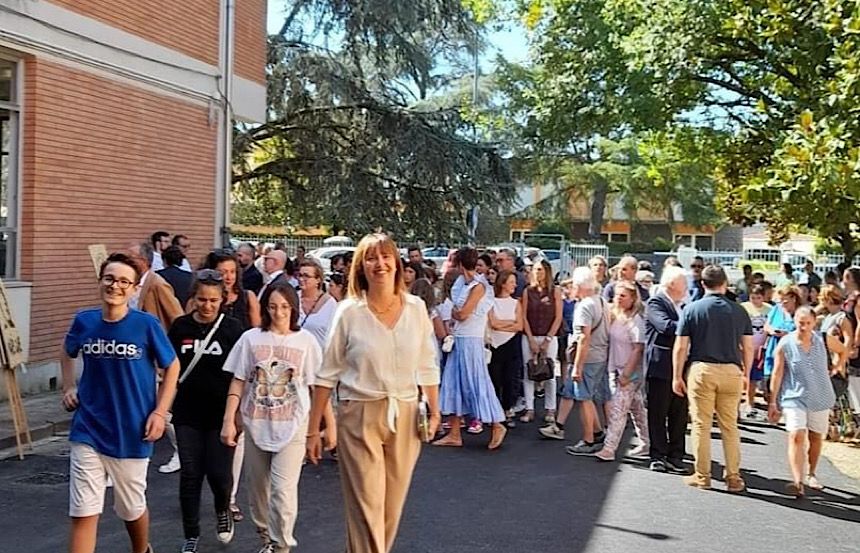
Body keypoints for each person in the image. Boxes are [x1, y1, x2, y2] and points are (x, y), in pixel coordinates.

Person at [307, 233, 440, 553]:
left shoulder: (416, 308)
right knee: (367, 507)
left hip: (406, 414)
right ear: (360, 267)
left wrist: (435, 411)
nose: (379, 264)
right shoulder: (349, 311)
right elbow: (327, 373)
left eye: (385, 257)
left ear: (396, 262)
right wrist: (314, 429)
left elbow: (426, 364)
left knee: (389, 511)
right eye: (370, 258)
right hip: (359, 413)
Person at [61, 253, 180, 553]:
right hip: (88, 427)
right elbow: (67, 350)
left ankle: (141, 549)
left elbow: (172, 366)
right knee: (84, 511)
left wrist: (160, 411)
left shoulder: (145, 325)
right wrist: (68, 386)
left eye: (124, 281)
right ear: (100, 281)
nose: (115, 286)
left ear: (134, 288)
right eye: (109, 278)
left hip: (133, 430)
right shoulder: (85, 321)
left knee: (130, 508)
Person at [221, 281, 323, 553]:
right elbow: (238, 381)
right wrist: (229, 420)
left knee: (282, 491)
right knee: (258, 491)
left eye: (285, 307)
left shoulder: (306, 342)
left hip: (293, 426)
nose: (279, 313)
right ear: (266, 308)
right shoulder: (251, 338)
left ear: (294, 308)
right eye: (273, 306)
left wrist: (324, 427)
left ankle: (281, 546)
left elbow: (318, 388)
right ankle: (266, 536)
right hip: (256, 424)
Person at [168, 271, 244, 553]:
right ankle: (191, 533)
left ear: (223, 299)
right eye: (202, 299)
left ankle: (222, 507)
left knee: (219, 473)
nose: (208, 306)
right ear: (193, 298)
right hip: (187, 412)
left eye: (214, 300)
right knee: (190, 473)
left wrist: (237, 416)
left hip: (221, 413)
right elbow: (170, 367)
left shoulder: (232, 329)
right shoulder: (180, 327)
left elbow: (242, 372)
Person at [672, 265, 754, 492]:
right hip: (731, 370)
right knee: (730, 425)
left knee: (701, 425)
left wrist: (677, 375)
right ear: (725, 284)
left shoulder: (692, 309)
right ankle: (734, 477)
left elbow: (681, 347)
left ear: (702, 284)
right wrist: (745, 373)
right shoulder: (739, 311)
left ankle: (703, 475)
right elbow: (748, 347)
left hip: (702, 368)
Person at [436, 247, 508, 448]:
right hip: (459, 337)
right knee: (454, 382)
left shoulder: (478, 286)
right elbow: (458, 312)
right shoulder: (462, 284)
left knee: (476, 382)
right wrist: (458, 313)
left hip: (471, 339)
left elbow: (463, 313)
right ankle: (455, 433)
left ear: (459, 265)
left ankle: (496, 424)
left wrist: (457, 313)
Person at [768, 306, 837, 496]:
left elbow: (843, 349)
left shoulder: (823, 339)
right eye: (800, 323)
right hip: (793, 396)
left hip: (820, 394)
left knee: (815, 437)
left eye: (808, 323)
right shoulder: (786, 343)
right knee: (796, 435)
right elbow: (777, 372)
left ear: (814, 322)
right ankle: (798, 481)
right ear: (795, 322)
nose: (804, 327)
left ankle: (812, 473)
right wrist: (773, 402)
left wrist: (837, 367)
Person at [591, 281, 649, 461]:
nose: (618, 298)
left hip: (630, 371)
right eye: (617, 295)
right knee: (636, 408)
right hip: (615, 368)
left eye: (623, 296)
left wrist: (626, 374)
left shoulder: (636, 320)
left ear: (633, 298)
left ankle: (609, 448)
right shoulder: (615, 315)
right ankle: (648, 442)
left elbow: (638, 348)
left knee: (618, 409)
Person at [644, 266, 689, 473]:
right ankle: (658, 455)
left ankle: (676, 454)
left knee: (679, 414)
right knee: (658, 413)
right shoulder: (656, 303)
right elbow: (664, 326)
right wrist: (690, 327)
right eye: (683, 283)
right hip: (660, 367)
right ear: (672, 284)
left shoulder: (685, 305)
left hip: (682, 367)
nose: (687, 287)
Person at [562, 268, 611, 454]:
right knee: (589, 397)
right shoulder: (601, 301)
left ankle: (588, 439)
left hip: (588, 358)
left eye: (574, 283)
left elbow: (584, 338)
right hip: (601, 356)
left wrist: (577, 367)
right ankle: (598, 433)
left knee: (584, 399)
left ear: (580, 285)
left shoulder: (584, 306)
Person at [520, 259, 562, 424]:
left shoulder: (555, 291)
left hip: (548, 336)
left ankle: (550, 408)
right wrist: (530, 338)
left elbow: (558, 316)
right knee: (528, 371)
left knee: (549, 373)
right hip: (530, 335)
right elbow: (523, 316)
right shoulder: (527, 291)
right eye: (536, 270)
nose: (538, 273)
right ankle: (529, 408)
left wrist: (548, 339)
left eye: (541, 270)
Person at [488, 270, 524, 426]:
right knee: (495, 379)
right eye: (511, 282)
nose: (514, 285)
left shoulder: (516, 303)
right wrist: (510, 323)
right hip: (495, 345)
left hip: (511, 345)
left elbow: (520, 325)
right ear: (503, 284)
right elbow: (493, 324)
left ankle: (507, 408)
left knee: (510, 379)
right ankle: (494, 411)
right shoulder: (491, 302)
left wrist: (503, 325)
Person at [128, 241, 184, 331]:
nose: (126, 262)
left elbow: (176, 316)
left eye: (130, 258)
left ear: (143, 261)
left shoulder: (157, 284)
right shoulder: (130, 282)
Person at [203, 249, 262, 331]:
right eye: (223, 273)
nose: (229, 277)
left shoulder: (248, 297)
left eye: (232, 272)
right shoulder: (201, 299)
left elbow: (257, 330)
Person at [764, 285, 803, 398]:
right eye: (780, 301)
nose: (782, 305)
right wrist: (772, 331)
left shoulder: (801, 313)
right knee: (770, 386)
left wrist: (788, 334)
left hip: (791, 354)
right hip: (773, 349)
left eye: (785, 302)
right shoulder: (776, 309)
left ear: (793, 299)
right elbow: (767, 325)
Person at [740, 284, 772, 420]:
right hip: (746, 346)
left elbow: (769, 327)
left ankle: (755, 401)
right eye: (753, 297)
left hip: (761, 347)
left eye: (758, 298)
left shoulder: (769, 309)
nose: (755, 300)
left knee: (755, 377)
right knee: (744, 375)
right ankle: (745, 401)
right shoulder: (744, 308)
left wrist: (764, 346)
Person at [297, 259, 338, 349]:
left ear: (318, 280)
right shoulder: (292, 298)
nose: (301, 279)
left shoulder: (330, 304)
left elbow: (335, 336)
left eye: (306, 276)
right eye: (299, 275)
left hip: (319, 357)